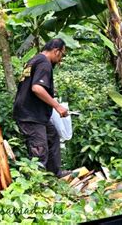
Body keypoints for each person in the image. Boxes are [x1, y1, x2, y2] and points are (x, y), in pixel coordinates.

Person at [13, 38, 71, 178]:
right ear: (56, 51)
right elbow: (37, 88)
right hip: (31, 115)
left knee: (53, 136)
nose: (61, 59)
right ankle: (37, 184)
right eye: (62, 55)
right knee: (40, 149)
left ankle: (54, 174)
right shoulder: (44, 63)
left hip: (33, 113)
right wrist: (57, 106)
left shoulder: (34, 60)